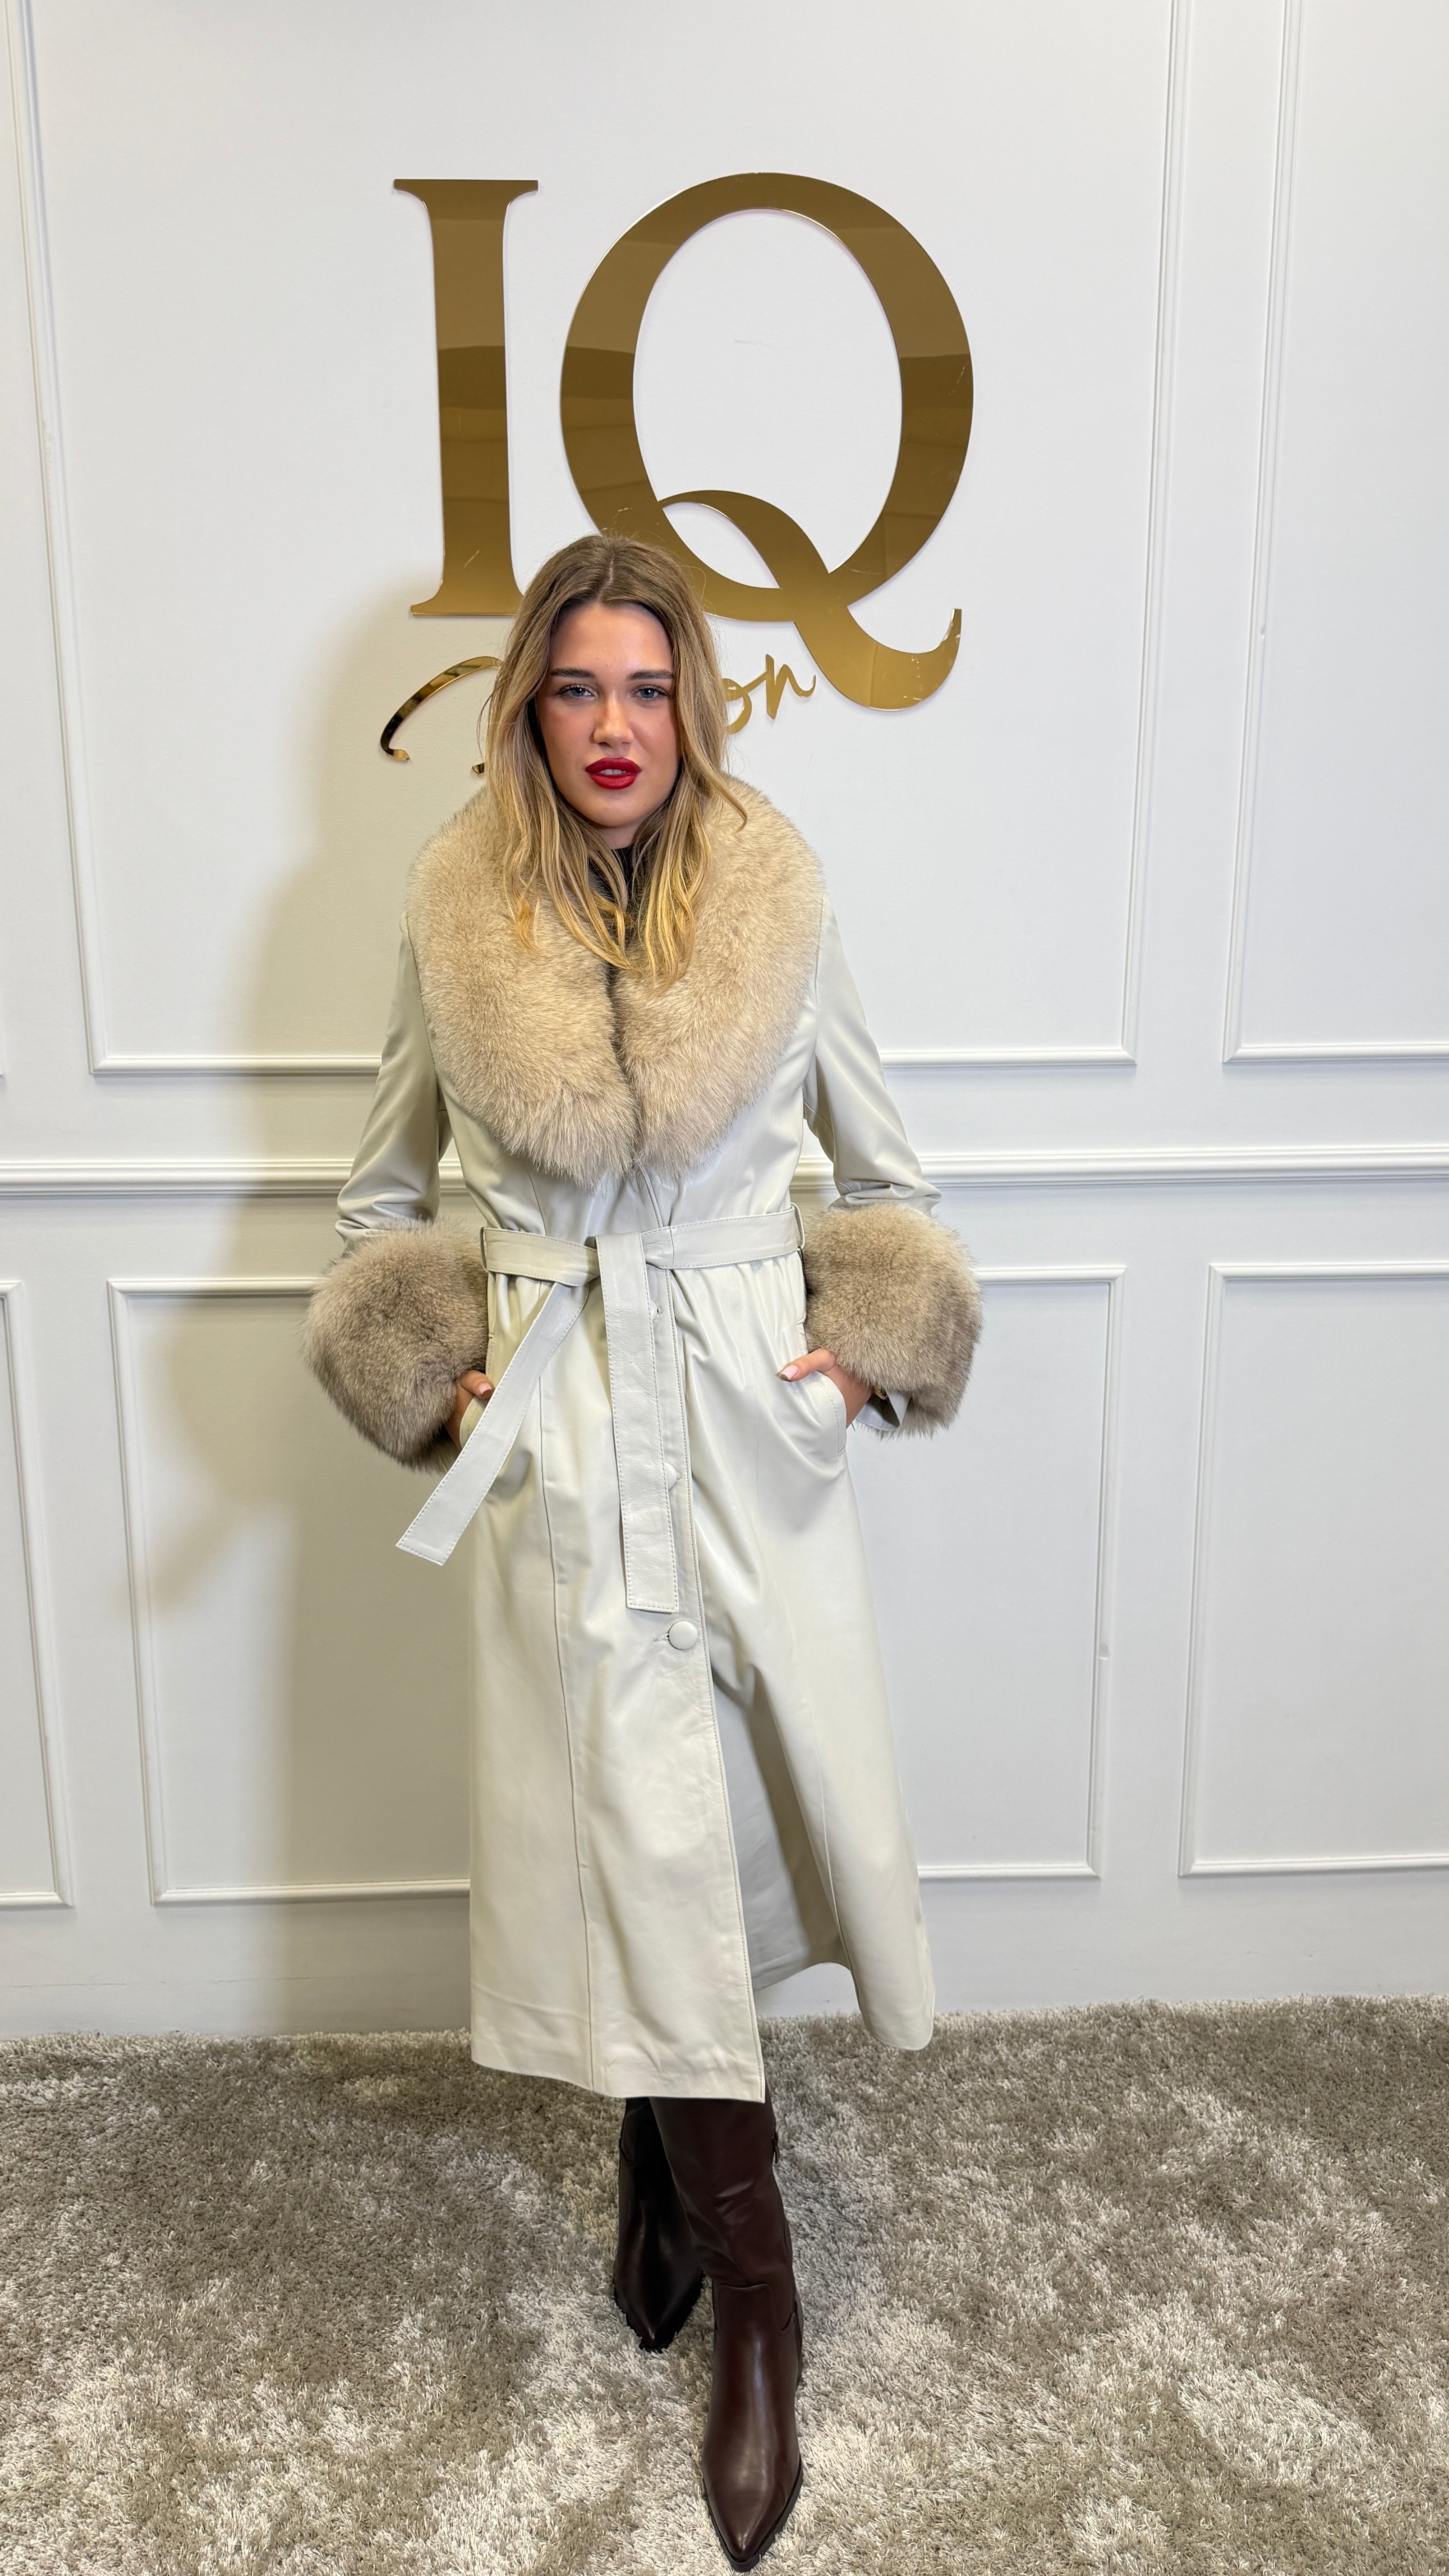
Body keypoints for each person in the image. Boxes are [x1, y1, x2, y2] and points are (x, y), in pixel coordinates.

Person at [304, 533, 980, 2568]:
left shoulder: (778, 890)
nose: (615, 727)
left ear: (694, 704)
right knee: (634, 1820)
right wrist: (438, 1392)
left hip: (749, 1417)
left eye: (649, 688)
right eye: (580, 687)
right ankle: (763, 2302)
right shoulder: (456, 904)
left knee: (746, 1819)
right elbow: (376, 1200)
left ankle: (663, 2161)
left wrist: (856, 1364)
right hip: (563, 1430)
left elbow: (890, 1171)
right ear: (532, 703)